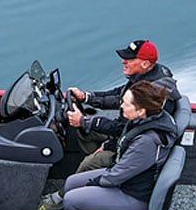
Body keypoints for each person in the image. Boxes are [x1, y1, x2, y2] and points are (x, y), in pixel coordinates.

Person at [38, 79, 180, 210]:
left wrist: (94, 182)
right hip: (128, 179)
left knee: (71, 200)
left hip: (133, 194)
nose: (121, 107)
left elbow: (117, 176)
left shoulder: (146, 142)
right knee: (71, 182)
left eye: (126, 104)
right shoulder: (142, 120)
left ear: (141, 111)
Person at [64, 39, 177, 172]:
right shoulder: (144, 78)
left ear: (145, 63)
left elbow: (123, 129)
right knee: (85, 133)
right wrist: (86, 97)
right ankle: (96, 171)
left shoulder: (148, 95)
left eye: (129, 59)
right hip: (127, 134)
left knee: (88, 163)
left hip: (132, 144)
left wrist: (85, 122)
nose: (123, 61)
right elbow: (119, 94)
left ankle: (67, 192)